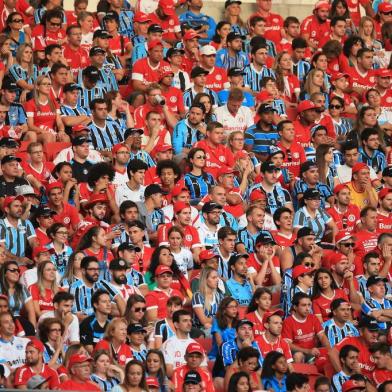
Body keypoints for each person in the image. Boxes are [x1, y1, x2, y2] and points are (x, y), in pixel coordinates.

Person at [282, 292, 331, 363]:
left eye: (309, 305)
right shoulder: (288, 322)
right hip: (299, 353)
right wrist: (307, 351)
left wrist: (329, 349)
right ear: (295, 307)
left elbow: (322, 336)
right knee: (298, 355)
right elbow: (287, 344)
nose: (308, 308)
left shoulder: (313, 318)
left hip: (313, 352)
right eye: (304, 305)